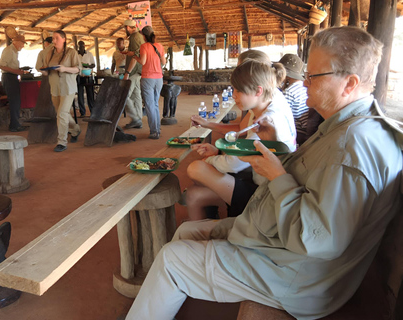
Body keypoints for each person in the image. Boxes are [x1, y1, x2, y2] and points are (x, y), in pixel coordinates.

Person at [123, 26, 402, 320]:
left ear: (350, 84)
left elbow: (318, 240)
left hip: (297, 275)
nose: (303, 83)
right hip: (277, 240)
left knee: (171, 260)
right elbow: (312, 184)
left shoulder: (353, 147)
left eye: (313, 76)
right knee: (185, 232)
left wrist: (278, 176)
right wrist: (276, 153)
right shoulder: (344, 127)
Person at [186, 55, 296, 220]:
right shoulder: (267, 101)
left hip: (266, 192)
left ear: (258, 90)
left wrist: (211, 159)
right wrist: (217, 152)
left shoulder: (268, 120)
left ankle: (215, 229)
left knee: (196, 168)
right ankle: (208, 228)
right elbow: (241, 136)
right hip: (257, 179)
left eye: (238, 90)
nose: (234, 95)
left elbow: (233, 164)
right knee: (193, 195)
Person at [41, 30, 81, 152]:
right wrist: (44, 71)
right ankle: (75, 129)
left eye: (57, 38)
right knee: (62, 113)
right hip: (55, 87)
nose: (54, 41)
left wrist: (64, 69)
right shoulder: (50, 53)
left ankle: (62, 141)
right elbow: (47, 70)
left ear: (64, 39)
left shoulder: (71, 52)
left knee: (61, 114)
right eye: (53, 38)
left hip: (68, 87)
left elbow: (78, 69)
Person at [132, 26, 166, 140]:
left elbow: (143, 61)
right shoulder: (160, 46)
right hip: (159, 79)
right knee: (155, 104)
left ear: (144, 36)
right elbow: (164, 62)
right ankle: (157, 129)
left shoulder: (144, 46)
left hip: (148, 78)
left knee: (150, 105)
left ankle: (154, 131)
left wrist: (133, 56)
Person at [278, 53, 311, 145]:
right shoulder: (304, 87)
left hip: (299, 132)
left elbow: (282, 117)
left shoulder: (289, 92)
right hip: (308, 130)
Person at [0, 34, 29, 132]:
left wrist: (19, 71)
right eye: (22, 43)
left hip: (12, 77)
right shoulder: (8, 51)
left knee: (16, 101)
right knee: (14, 101)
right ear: (17, 42)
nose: (23, 46)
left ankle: (15, 124)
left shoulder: (14, 52)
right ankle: (14, 126)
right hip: (8, 77)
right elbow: (1, 66)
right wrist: (18, 72)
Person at [122, 19, 145, 129]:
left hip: (134, 71)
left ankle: (135, 119)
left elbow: (136, 56)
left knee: (125, 95)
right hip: (138, 71)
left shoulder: (135, 37)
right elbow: (137, 52)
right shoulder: (138, 36)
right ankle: (138, 119)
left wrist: (127, 73)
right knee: (136, 96)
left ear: (127, 27)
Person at [76, 40, 95, 117]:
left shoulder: (89, 54)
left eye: (83, 46)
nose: (81, 48)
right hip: (79, 76)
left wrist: (88, 66)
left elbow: (93, 65)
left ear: (84, 46)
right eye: (80, 46)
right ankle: (82, 112)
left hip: (88, 76)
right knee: (80, 95)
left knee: (90, 95)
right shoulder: (75, 55)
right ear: (78, 46)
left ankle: (92, 112)